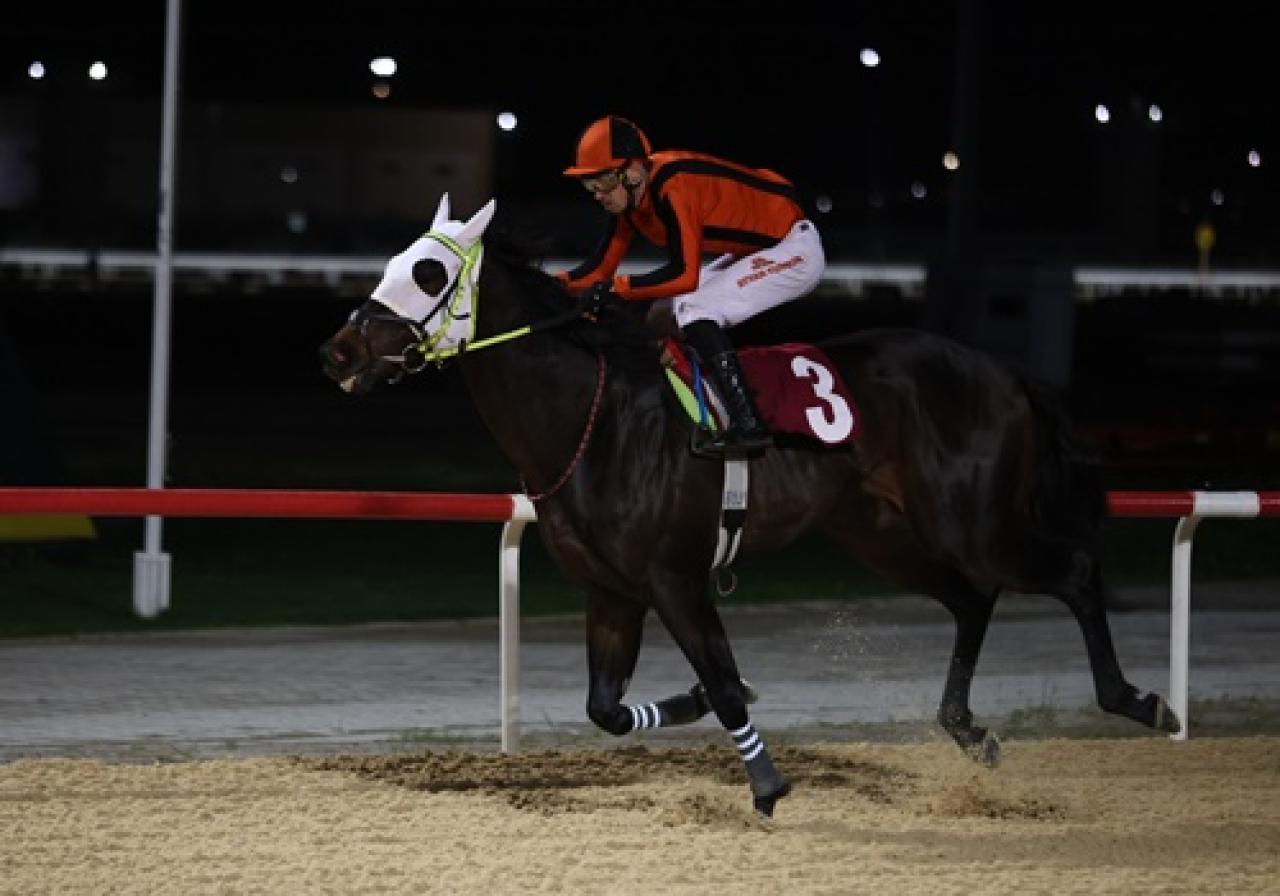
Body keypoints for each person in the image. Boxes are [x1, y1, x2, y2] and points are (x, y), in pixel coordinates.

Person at [557, 114, 826, 454]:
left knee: (695, 307)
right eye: (588, 185)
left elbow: (684, 275)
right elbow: (598, 271)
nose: (596, 194)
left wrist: (616, 288)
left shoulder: (674, 185)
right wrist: (547, 286)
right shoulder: (628, 202)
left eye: (602, 182)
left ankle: (749, 423)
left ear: (633, 172)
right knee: (658, 316)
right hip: (758, 248)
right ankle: (678, 413)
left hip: (793, 248)